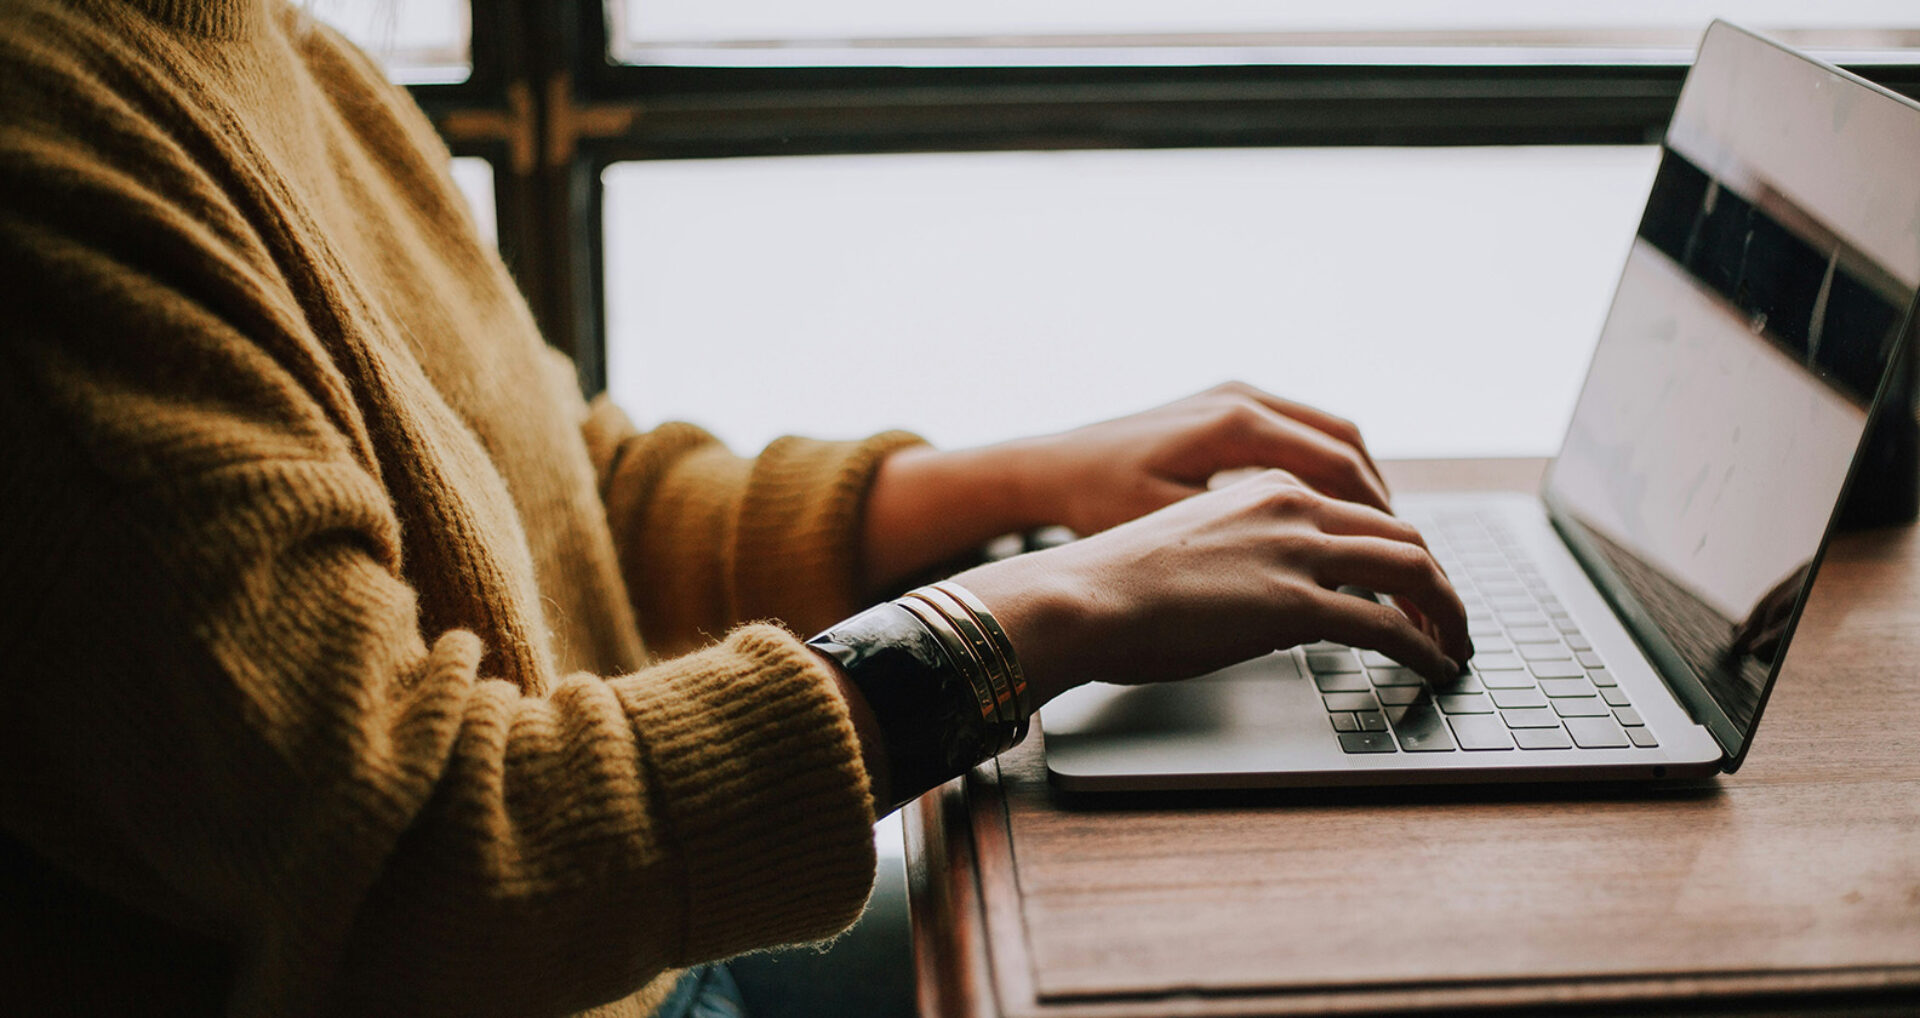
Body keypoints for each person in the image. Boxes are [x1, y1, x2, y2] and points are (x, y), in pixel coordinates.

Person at [0, 2, 1471, 1016]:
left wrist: (1022, 486)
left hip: (633, 960)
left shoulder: (270, 51)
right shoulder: (52, 163)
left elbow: (570, 500)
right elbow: (425, 862)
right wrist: (1029, 617)